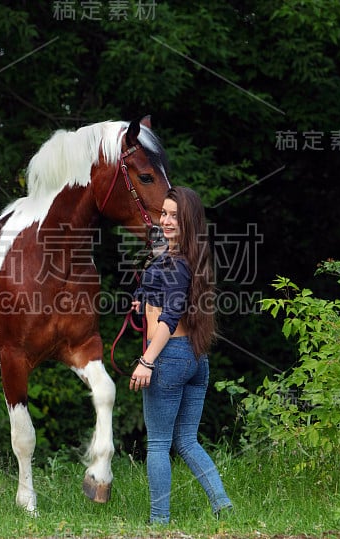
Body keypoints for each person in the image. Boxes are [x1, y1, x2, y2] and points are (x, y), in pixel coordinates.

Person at [130, 186, 233, 525]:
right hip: (194, 358)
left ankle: (159, 521)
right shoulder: (188, 259)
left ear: (189, 221)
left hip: (169, 358)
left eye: (175, 215)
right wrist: (142, 301)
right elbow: (164, 302)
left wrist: (147, 360)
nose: (167, 220)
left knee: (159, 445)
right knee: (186, 440)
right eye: (165, 214)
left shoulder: (175, 263)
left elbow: (169, 316)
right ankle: (223, 505)